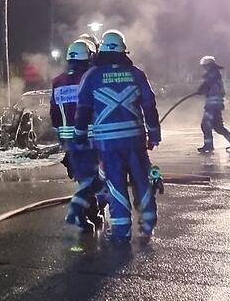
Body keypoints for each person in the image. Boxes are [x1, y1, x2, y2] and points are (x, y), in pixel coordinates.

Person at [74, 30, 162, 243]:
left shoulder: (92, 76)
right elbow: (149, 106)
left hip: (107, 143)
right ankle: (148, 225)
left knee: (115, 184)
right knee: (142, 180)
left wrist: (80, 137)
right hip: (135, 139)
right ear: (124, 51)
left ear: (101, 51)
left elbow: (83, 109)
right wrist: (154, 134)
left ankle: (121, 232)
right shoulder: (136, 74)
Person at [50, 39, 103, 231]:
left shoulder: (58, 81)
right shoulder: (91, 78)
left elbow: (54, 114)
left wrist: (62, 137)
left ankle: (91, 212)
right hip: (91, 137)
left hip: (69, 140)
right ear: (89, 56)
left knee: (84, 178)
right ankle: (88, 212)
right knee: (99, 178)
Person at [196, 56, 230, 153]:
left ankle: (208, 146)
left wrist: (201, 89)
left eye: (205, 67)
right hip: (217, 105)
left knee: (205, 125)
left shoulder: (212, 75)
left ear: (208, 66)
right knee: (218, 127)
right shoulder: (215, 74)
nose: (204, 69)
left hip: (212, 106)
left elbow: (207, 85)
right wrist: (202, 89)